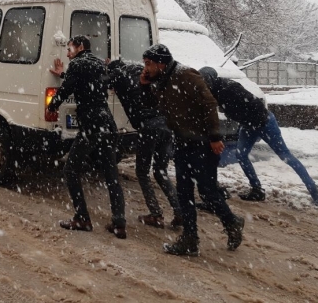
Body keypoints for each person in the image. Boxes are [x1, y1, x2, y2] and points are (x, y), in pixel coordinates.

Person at [141, 44, 244, 256]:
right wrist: (144, 85)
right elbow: (153, 105)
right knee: (184, 192)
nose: (146, 68)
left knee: (207, 191)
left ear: (161, 63)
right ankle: (190, 239)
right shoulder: (161, 80)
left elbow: (209, 104)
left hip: (203, 143)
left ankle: (232, 222)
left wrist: (214, 137)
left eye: (149, 64)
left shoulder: (186, 75)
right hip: (182, 142)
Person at [198, 67, 318, 206]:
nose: (204, 86)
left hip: (265, 123)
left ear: (211, 79)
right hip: (248, 125)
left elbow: (255, 104)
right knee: (241, 155)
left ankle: (313, 188)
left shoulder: (229, 88)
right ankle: (257, 190)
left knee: (285, 156)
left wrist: (255, 122)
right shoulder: (213, 91)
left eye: (205, 83)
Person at [48, 35, 127, 239]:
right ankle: (119, 223)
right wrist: (65, 73)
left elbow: (68, 89)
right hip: (107, 124)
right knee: (111, 176)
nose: (67, 53)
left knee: (70, 169)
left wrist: (53, 105)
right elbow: (91, 83)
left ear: (80, 47)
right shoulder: (100, 64)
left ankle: (82, 218)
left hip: (91, 125)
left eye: (70, 49)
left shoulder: (78, 64)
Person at [106, 58, 182, 229]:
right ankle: (180, 212)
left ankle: (156, 215)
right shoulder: (141, 70)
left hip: (148, 127)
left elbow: (99, 82)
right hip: (166, 124)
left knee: (142, 172)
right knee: (160, 171)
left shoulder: (118, 75)